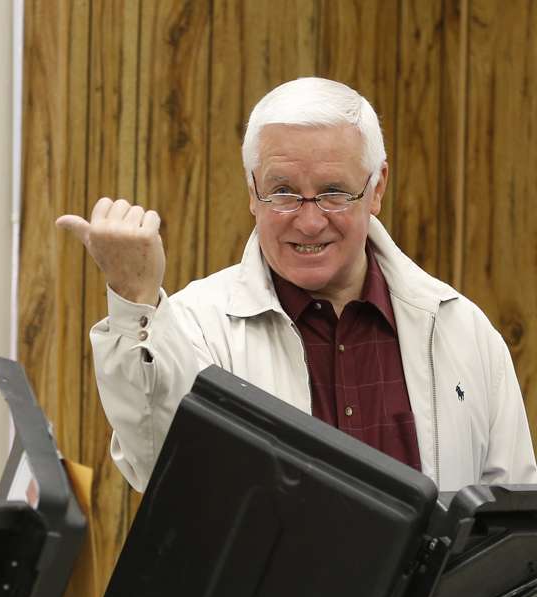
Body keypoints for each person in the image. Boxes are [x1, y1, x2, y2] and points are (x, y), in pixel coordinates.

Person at [56, 77, 536, 493]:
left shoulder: (461, 331)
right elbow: (160, 466)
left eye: (332, 193)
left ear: (377, 188)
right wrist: (135, 299)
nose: (308, 223)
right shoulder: (194, 326)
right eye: (282, 192)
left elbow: (513, 536)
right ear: (251, 191)